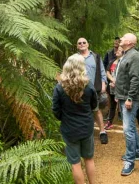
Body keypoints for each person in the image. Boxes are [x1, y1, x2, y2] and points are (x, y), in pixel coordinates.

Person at [52, 54, 97, 184]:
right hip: (86, 128)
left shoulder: (60, 87)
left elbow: (56, 110)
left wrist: (64, 119)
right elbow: (94, 105)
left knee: (75, 163)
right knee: (89, 159)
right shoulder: (88, 85)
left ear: (66, 67)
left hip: (69, 130)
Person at [114, 33, 139, 176]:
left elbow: (135, 79)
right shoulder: (126, 54)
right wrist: (118, 95)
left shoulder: (135, 56)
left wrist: (130, 97)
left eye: (124, 37)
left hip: (129, 98)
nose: (121, 39)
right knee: (130, 126)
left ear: (131, 42)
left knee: (127, 130)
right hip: (122, 96)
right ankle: (137, 152)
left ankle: (130, 161)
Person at [77, 37, 109, 144]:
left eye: (84, 42)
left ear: (88, 44)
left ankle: (102, 132)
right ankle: (85, 133)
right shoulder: (74, 58)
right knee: (82, 110)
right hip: (80, 90)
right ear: (77, 46)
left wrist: (104, 84)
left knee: (96, 110)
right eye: (79, 43)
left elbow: (102, 71)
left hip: (94, 89)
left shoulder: (95, 57)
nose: (82, 44)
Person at [104, 46, 123, 130]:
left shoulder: (124, 62)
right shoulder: (112, 61)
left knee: (122, 103)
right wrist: (112, 80)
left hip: (121, 87)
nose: (117, 51)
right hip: (111, 86)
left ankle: (125, 122)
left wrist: (117, 82)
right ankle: (109, 122)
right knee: (112, 104)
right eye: (117, 50)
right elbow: (107, 72)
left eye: (119, 50)